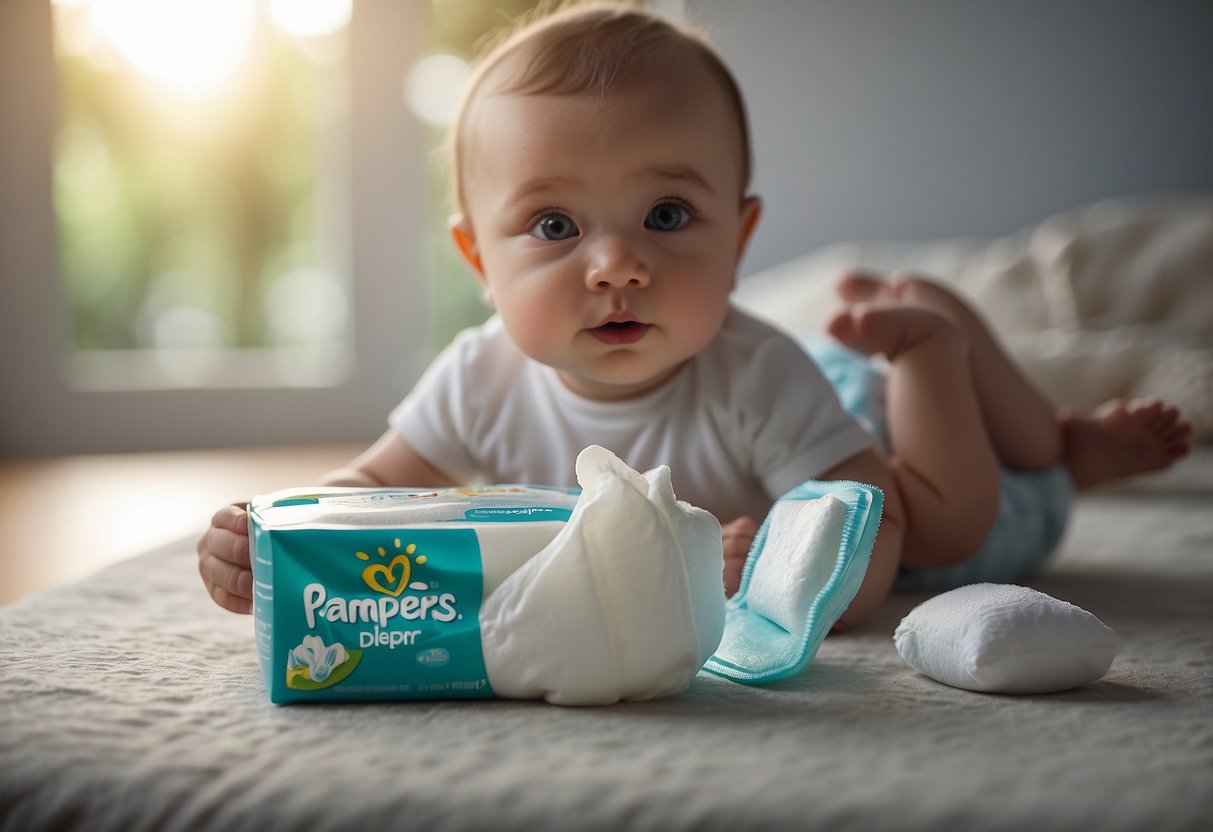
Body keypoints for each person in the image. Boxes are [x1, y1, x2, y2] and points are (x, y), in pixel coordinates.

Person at [197, 2, 1191, 628]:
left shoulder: (755, 373)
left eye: (666, 216)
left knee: (944, 523)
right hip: (805, 430)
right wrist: (281, 542)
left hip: (872, 451)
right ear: (478, 261)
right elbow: (372, 489)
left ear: (740, 236)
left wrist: (782, 566)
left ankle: (1016, 407)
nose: (619, 263)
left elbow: (877, 542)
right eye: (553, 224)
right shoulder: (478, 374)